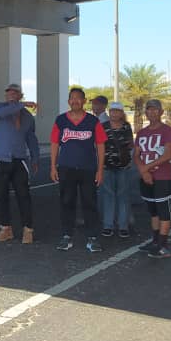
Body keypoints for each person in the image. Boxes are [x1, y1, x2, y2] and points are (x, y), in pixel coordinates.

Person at [51, 88, 106, 252]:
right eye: (72, 98)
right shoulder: (60, 120)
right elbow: (55, 144)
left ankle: (93, 238)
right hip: (66, 168)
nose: (75, 101)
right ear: (68, 101)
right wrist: (53, 166)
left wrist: (100, 170)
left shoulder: (93, 121)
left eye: (78, 98)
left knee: (90, 203)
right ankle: (66, 236)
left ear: (84, 101)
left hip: (88, 169)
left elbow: (101, 146)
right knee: (67, 202)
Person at [0, 83, 40, 245]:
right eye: (9, 92)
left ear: (20, 95)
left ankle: (28, 229)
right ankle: (5, 228)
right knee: (1, 195)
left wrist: (35, 158)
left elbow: (31, 139)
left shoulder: (27, 117)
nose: (11, 94)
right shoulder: (0, 108)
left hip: (20, 160)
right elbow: (6, 111)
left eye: (15, 92)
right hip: (0, 159)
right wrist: (21, 105)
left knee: (23, 195)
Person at [135, 99, 171, 258]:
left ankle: (163, 245)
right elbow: (137, 154)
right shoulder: (141, 133)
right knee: (153, 212)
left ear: (161, 112)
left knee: (164, 212)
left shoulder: (166, 130)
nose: (151, 112)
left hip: (162, 178)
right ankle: (155, 241)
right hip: (146, 178)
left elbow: (169, 154)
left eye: (155, 110)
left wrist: (146, 168)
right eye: (149, 109)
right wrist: (143, 171)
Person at [100, 101, 134, 238]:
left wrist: (130, 159)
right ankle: (108, 225)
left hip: (123, 166)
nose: (114, 113)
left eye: (117, 111)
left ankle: (123, 226)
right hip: (106, 166)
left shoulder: (126, 127)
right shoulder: (103, 126)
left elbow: (130, 144)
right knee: (108, 196)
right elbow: (99, 146)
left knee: (122, 196)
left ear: (121, 113)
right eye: (112, 111)